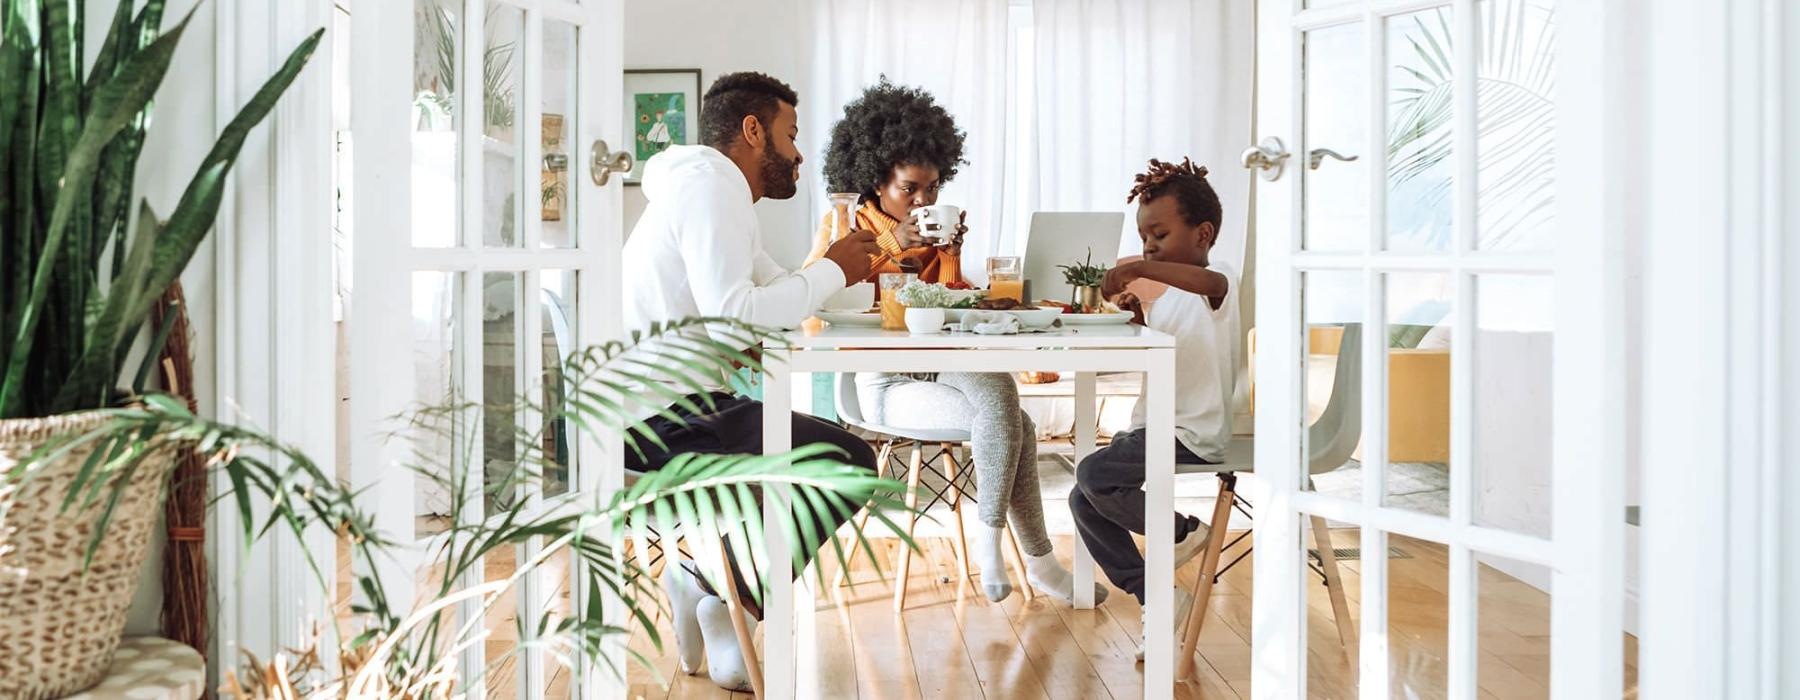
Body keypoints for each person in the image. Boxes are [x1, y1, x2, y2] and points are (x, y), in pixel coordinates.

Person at [621, 71, 885, 691]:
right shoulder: (711, 190)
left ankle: (710, 587)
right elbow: (740, 313)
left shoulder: (712, 193)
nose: (797, 155)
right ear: (751, 130)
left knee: (834, 456)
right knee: (848, 463)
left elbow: (767, 293)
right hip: (652, 422)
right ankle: (721, 597)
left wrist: (834, 272)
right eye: (790, 135)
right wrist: (831, 269)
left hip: (675, 404)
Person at [805, 79, 1101, 606]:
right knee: (1015, 422)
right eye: (909, 188)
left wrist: (951, 257)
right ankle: (1032, 560)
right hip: (884, 379)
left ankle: (1002, 548)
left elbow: (942, 308)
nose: (923, 200)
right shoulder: (845, 225)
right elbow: (818, 298)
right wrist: (897, 242)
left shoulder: (932, 228)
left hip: (941, 362)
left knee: (1002, 398)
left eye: (933, 188)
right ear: (875, 179)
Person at [1068, 157, 1240, 660]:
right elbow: (1165, 351)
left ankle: (1185, 531)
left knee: (1095, 476)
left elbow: (1208, 288)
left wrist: (1141, 269)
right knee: (1083, 500)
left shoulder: (1219, 280)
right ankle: (1157, 596)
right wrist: (1138, 314)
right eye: (1144, 239)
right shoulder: (1169, 299)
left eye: (1159, 236)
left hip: (1191, 431)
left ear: (1203, 234)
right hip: (1153, 426)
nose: (1148, 247)